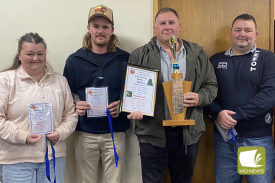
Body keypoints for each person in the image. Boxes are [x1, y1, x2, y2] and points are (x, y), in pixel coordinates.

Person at [127, 7, 217, 183]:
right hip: (152, 132)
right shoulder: (139, 55)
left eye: (171, 22)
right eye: (162, 23)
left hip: (187, 134)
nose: (167, 27)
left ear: (179, 27)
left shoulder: (197, 53)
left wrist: (200, 98)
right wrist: (134, 107)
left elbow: (211, 85)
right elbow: (131, 90)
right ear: (155, 29)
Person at [63, 5, 130, 183]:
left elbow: (134, 93)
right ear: (88, 28)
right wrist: (76, 103)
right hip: (85, 133)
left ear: (112, 30)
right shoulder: (74, 60)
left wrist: (122, 105)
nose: (100, 31)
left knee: (115, 181)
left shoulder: (126, 59)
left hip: (115, 132)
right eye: (96, 26)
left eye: (105, 27)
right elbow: (67, 94)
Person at [0, 32, 78, 183]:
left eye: (40, 54)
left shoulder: (60, 81)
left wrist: (60, 133)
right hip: (16, 159)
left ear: (45, 55)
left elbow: (71, 114)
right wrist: (22, 137)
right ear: (19, 55)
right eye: (30, 54)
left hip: (53, 156)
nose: (35, 58)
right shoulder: (5, 80)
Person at [207, 14, 275, 183]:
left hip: (255, 141)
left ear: (256, 34)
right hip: (225, 141)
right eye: (238, 30)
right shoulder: (216, 60)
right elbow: (206, 94)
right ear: (231, 33)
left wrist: (234, 116)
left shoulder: (267, 58)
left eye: (248, 30)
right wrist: (217, 114)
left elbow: (269, 94)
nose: (242, 34)